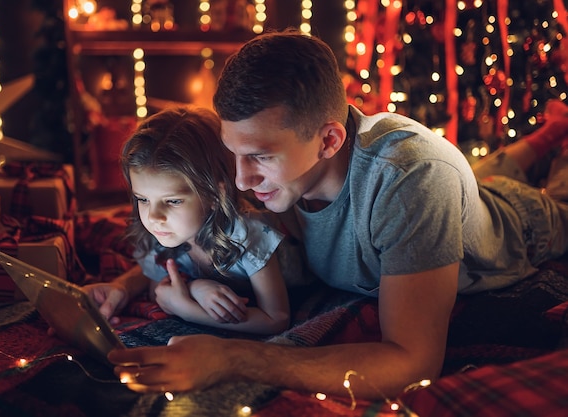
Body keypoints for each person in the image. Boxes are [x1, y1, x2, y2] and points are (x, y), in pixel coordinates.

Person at [104, 30, 568, 399]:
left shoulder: (411, 178)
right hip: (468, 186)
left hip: (528, 225)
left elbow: (412, 362)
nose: (241, 180)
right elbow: (202, 234)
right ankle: (548, 135)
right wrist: (126, 286)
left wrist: (234, 359)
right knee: (485, 172)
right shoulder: (270, 169)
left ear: (328, 140)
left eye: (261, 158)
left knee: (543, 192)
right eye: (233, 153)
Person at [83, 106, 290, 336]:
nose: (153, 217)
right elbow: (159, 288)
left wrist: (190, 311)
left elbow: (276, 318)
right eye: (143, 199)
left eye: (172, 201)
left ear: (214, 195)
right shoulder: (165, 233)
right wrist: (195, 288)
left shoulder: (247, 236)